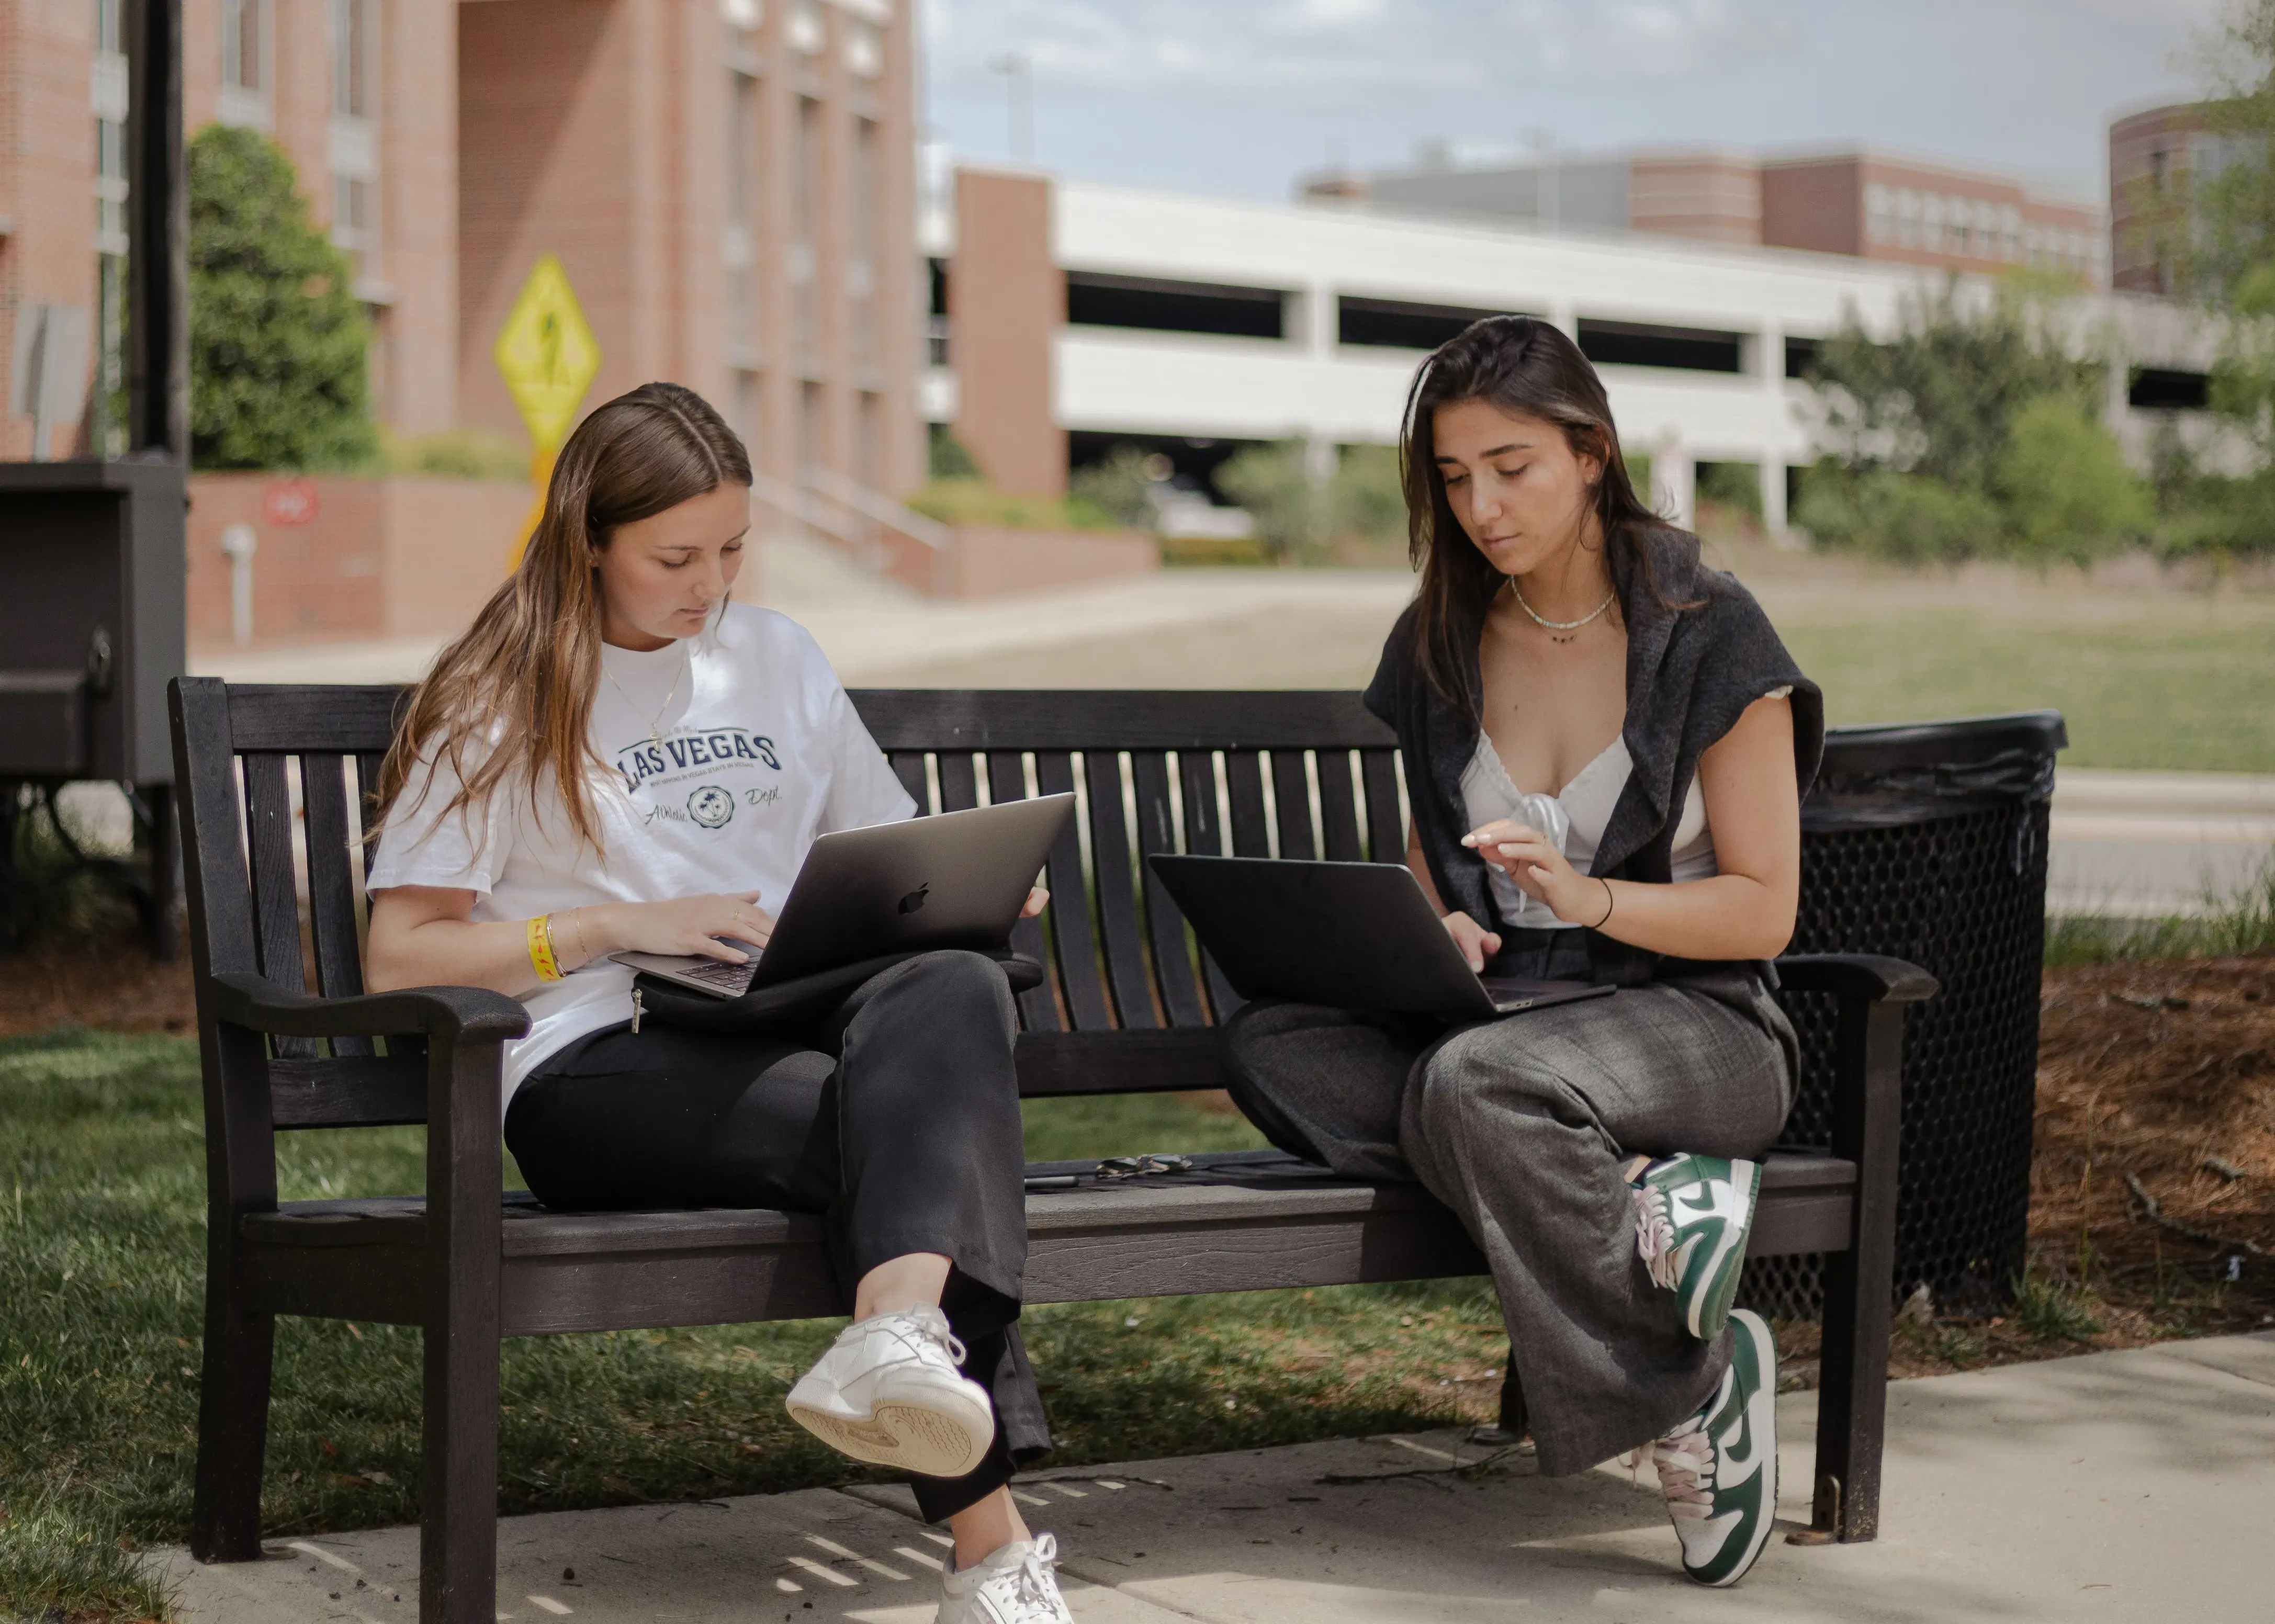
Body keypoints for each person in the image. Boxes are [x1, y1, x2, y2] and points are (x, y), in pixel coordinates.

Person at [363, 382, 1078, 1624]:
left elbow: (889, 849)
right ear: (589, 537)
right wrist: (608, 926)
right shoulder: (502, 691)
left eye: (733, 548)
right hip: (594, 1057)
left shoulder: (777, 655)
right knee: (910, 1147)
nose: (710, 584)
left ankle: (895, 1334)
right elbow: (400, 953)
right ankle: (991, 1546)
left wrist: (968, 890)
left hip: (779, 1012)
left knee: (956, 976)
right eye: (674, 557)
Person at [1219, 317, 1821, 1588]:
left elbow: (1763, 910)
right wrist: (1427, 924)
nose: (1480, 505)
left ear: (1591, 453)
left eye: (1512, 467)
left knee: (1468, 1089)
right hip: (1506, 1020)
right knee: (1274, 1048)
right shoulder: (1439, 639)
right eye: (1451, 477)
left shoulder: (1708, 632)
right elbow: (1423, 865)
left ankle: (1691, 1398)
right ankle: (1638, 1200)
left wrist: (1592, 899)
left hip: (1693, 1019)